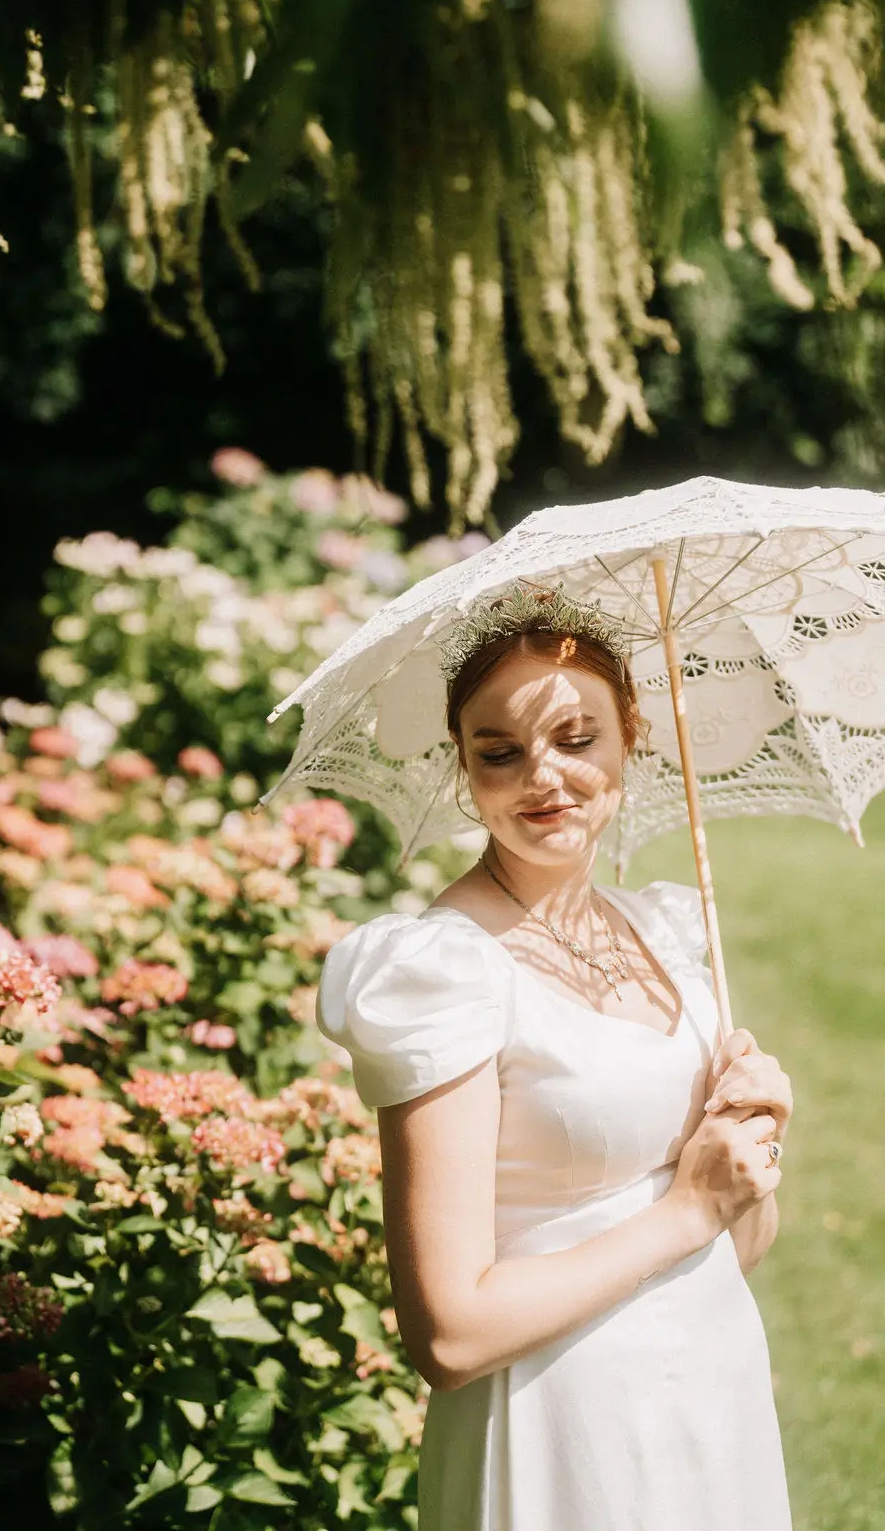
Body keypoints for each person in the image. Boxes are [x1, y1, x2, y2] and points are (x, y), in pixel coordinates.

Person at [316, 583, 794, 1531]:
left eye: (578, 739)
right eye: (501, 753)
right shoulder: (444, 972)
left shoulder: (659, 931)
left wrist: (749, 1146)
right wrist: (688, 1204)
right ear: (464, 765)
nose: (545, 776)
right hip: (561, 1429)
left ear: (633, 737)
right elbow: (449, 1334)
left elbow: (739, 1246)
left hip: (710, 1396)